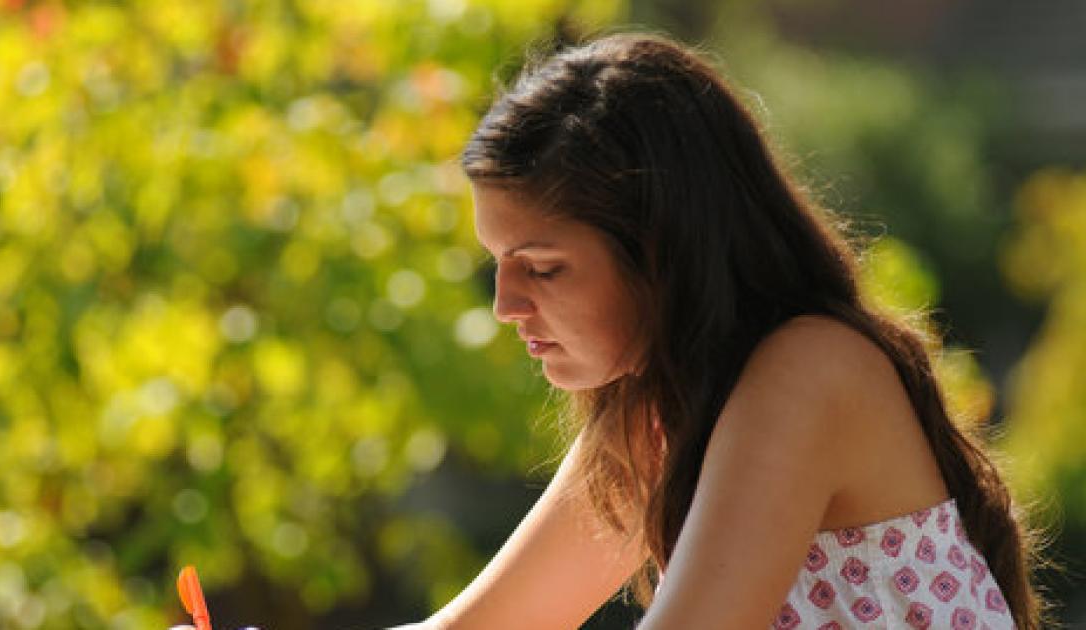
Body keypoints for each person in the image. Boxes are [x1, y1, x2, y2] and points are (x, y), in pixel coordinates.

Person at [388, 31, 1043, 629]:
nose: (504, 304)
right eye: (498, 263)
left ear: (663, 252)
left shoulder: (810, 370)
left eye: (542, 268)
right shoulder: (657, 415)